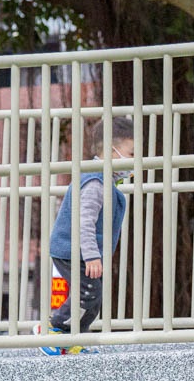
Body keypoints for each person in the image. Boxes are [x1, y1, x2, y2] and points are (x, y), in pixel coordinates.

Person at [38, 116, 134, 356]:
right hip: (73, 250)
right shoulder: (95, 183)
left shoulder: (105, 181)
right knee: (87, 294)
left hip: (79, 251)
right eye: (131, 154)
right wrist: (91, 256)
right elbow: (84, 222)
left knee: (92, 298)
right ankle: (53, 330)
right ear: (113, 152)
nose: (135, 162)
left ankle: (71, 340)